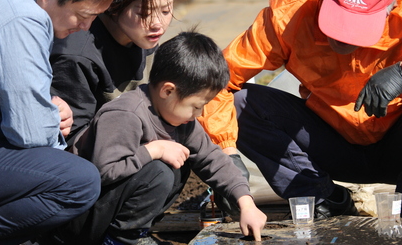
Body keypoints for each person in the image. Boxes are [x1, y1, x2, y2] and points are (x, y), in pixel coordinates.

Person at [198, 0, 402, 218]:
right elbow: (216, 82)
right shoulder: (288, 16)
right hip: (331, 144)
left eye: (357, 27)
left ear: (392, 7)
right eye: (339, 19)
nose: (343, 36)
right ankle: (322, 197)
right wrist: (226, 154)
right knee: (242, 103)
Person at [42, 31, 267, 245]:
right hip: (76, 219)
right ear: (168, 91)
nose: (199, 115)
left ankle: (134, 233)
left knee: (179, 161)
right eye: (197, 107)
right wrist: (153, 151)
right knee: (158, 171)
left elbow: (212, 158)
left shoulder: (181, 119)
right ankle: (121, 239)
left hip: (106, 209)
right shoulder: (126, 114)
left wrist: (245, 202)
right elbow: (103, 171)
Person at [0, 0, 127, 244]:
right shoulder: (24, 19)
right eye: (82, 15)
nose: (87, 27)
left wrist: (44, 105)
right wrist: (48, 118)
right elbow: (30, 133)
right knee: (79, 182)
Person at [50, 0, 183, 146]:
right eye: (144, 13)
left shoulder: (144, 36)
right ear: (112, 4)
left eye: (166, 10)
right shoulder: (78, 57)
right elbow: (73, 140)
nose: (157, 24)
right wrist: (150, 149)